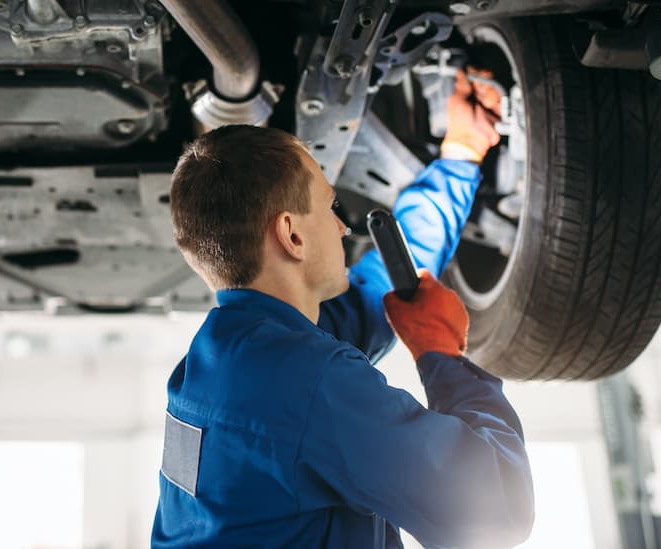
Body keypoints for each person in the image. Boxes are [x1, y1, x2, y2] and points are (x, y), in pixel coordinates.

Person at [152, 69, 534, 548]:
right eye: (330, 208)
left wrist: (459, 157)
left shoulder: (223, 356)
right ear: (292, 235)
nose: (343, 228)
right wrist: (443, 358)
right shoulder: (304, 380)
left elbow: (374, 294)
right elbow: (497, 510)